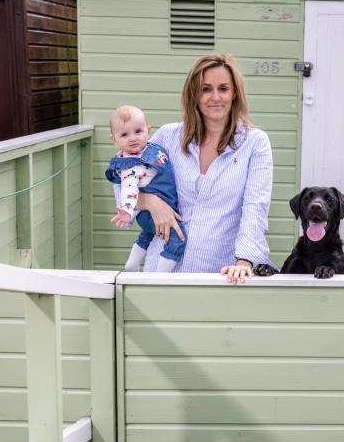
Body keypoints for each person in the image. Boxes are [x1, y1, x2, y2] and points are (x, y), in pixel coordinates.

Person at [133, 53, 273, 283]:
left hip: (222, 273)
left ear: (235, 93)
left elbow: (255, 207)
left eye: (223, 88)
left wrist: (244, 260)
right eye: (206, 89)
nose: (215, 97)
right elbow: (125, 188)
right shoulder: (167, 137)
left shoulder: (255, 143)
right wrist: (151, 202)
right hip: (162, 270)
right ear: (194, 95)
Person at [104, 105, 185, 272]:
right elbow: (128, 189)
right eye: (124, 135)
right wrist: (126, 211)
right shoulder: (130, 166)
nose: (133, 138)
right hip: (150, 214)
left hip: (156, 211)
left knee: (147, 235)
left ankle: (132, 264)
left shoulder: (150, 149)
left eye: (138, 131)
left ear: (148, 131)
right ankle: (160, 276)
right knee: (177, 241)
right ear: (114, 140)